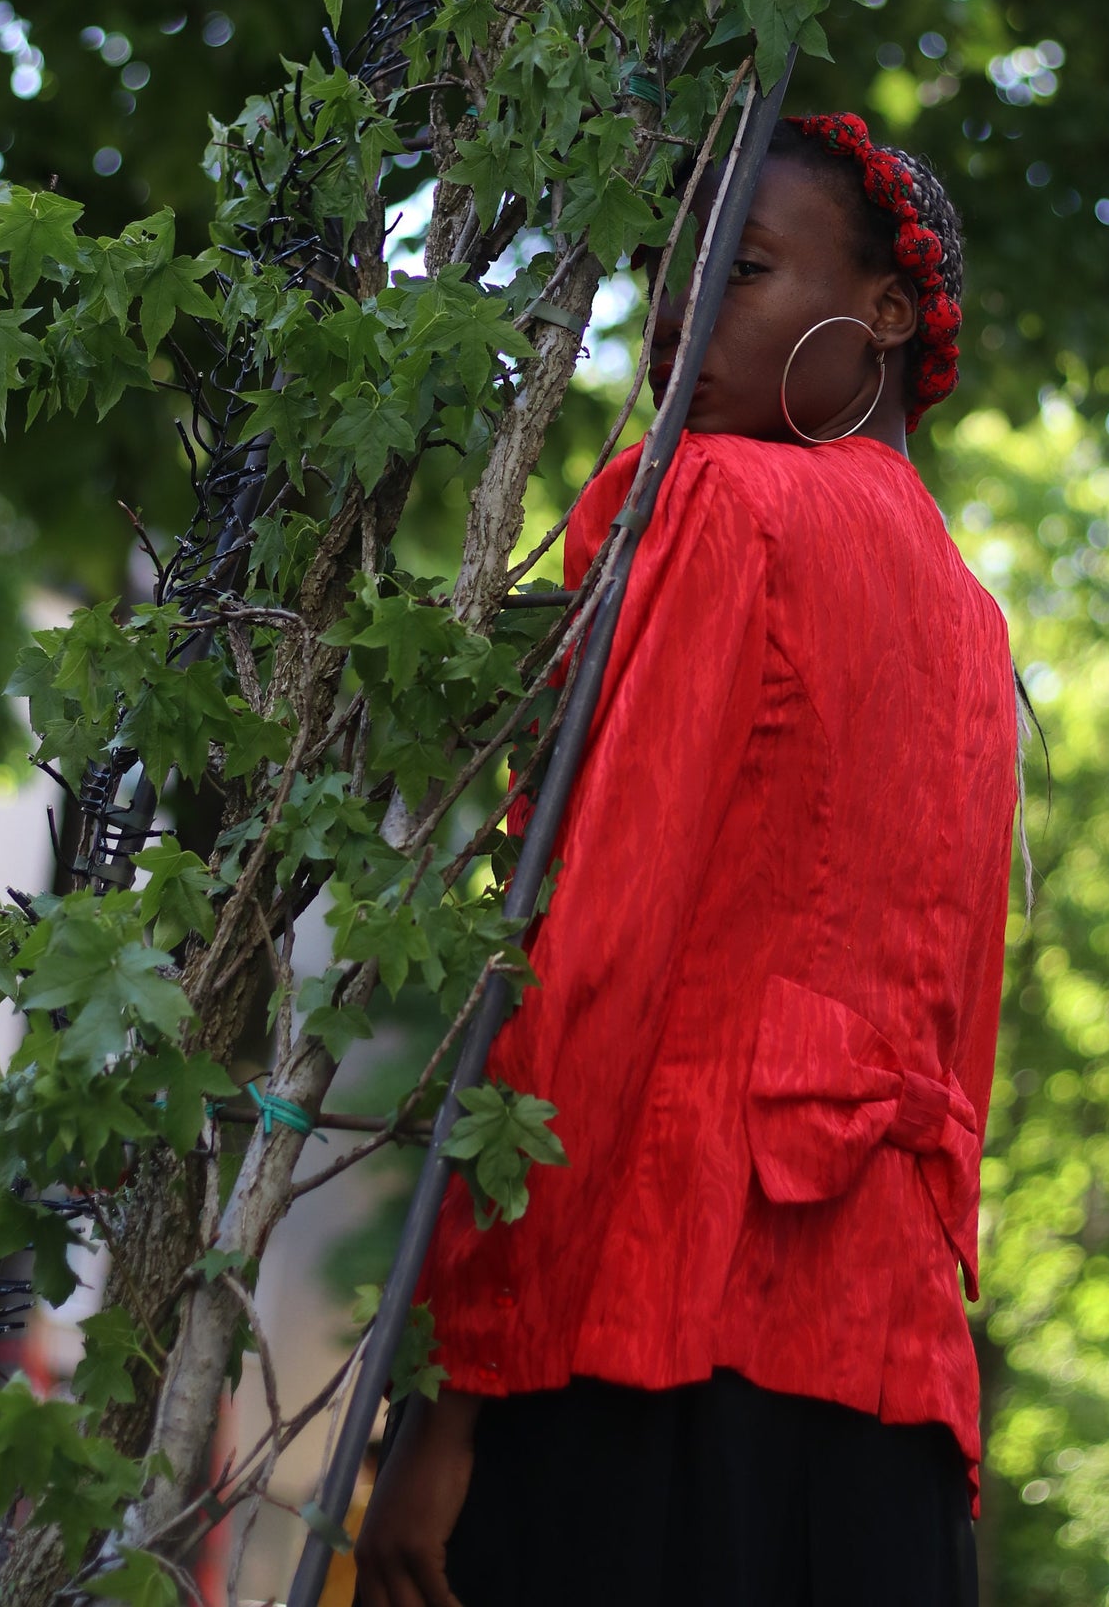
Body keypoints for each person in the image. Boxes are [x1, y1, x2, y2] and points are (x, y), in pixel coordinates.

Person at [354, 112, 1020, 1607]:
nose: (675, 315)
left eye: (744, 269)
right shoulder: (975, 630)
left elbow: (590, 958)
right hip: (893, 1409)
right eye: (668, 275)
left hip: (645, 1362)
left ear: (886, 314)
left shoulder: (722, 503)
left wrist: (455, 1394)